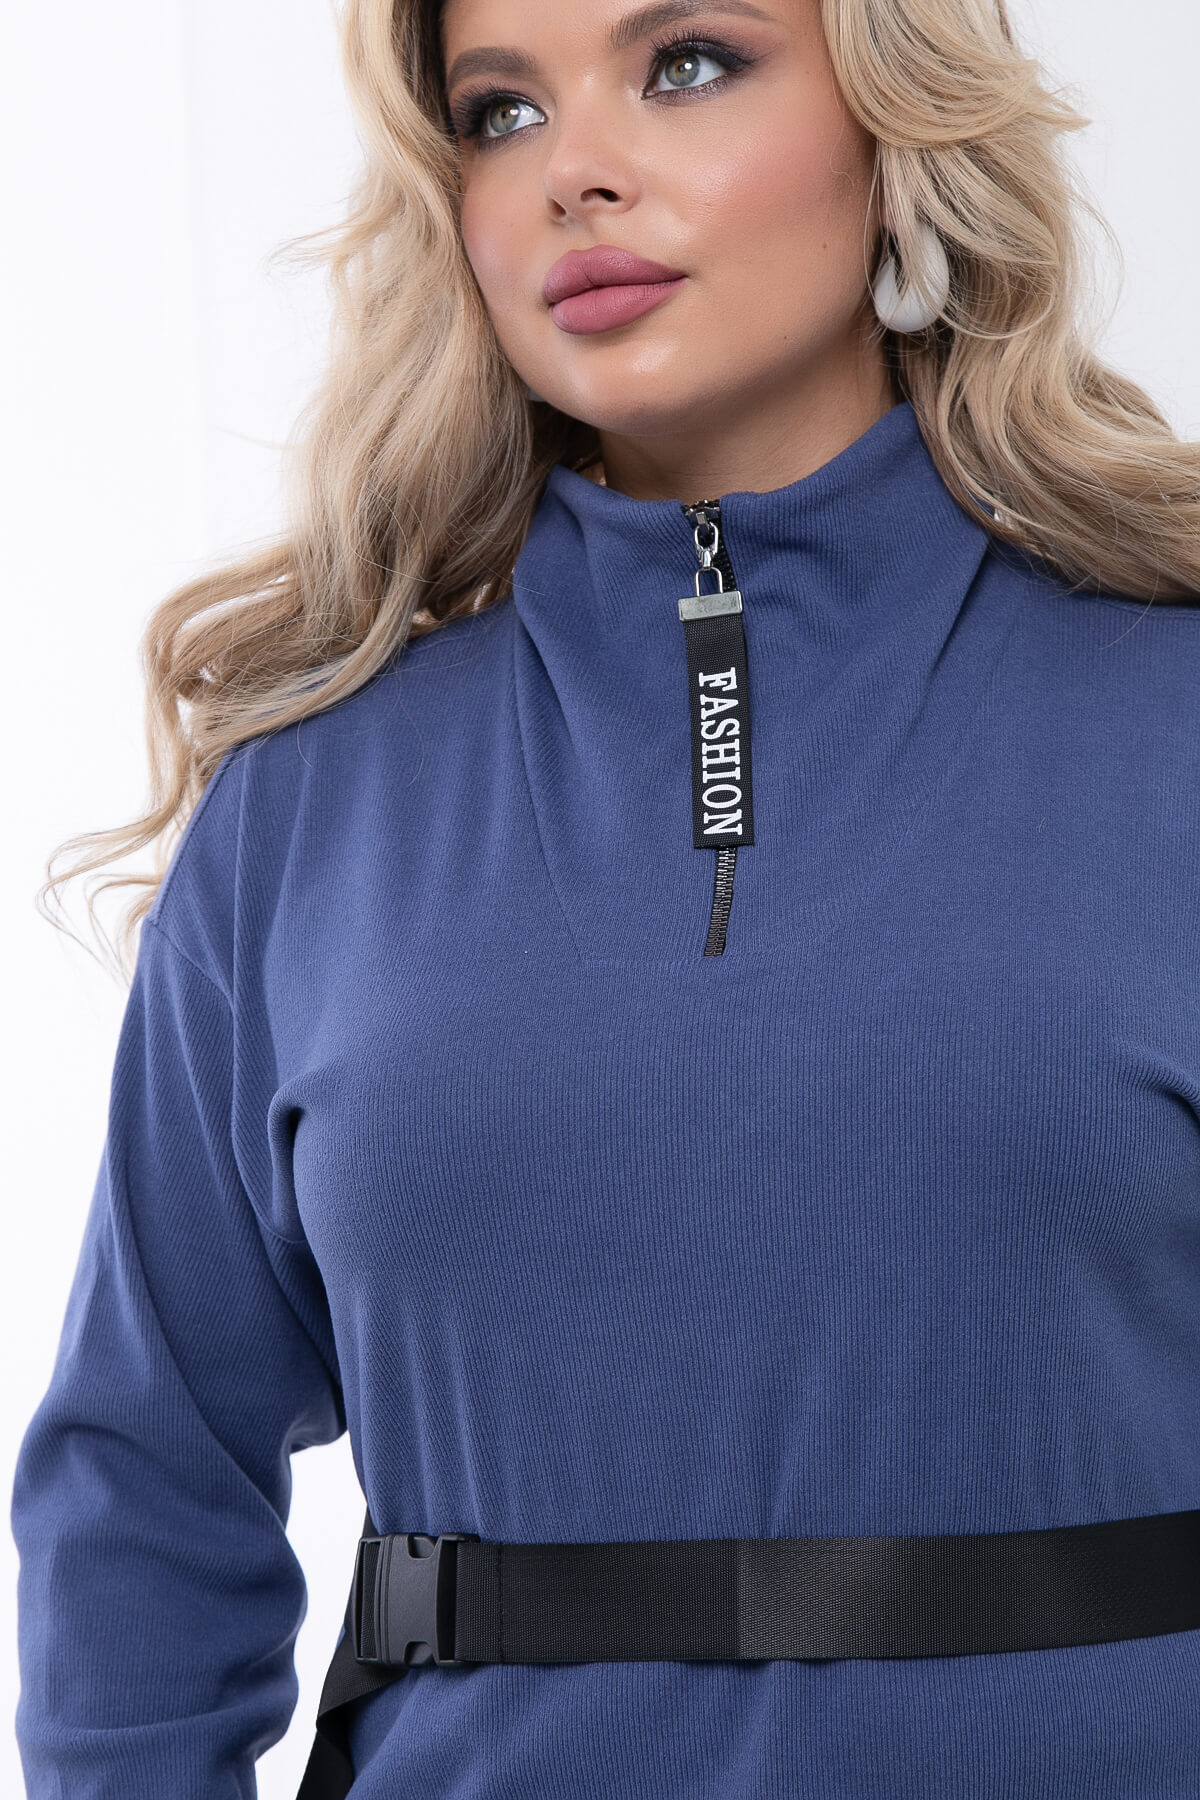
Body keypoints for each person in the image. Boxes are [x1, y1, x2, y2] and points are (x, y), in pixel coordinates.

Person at [11, 0, 1200, 1794]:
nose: (576, 170)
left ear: (896, 122)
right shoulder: (315, 802)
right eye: (499, 111)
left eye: (688, 64)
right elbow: (141, 1486)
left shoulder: (1169, 724)